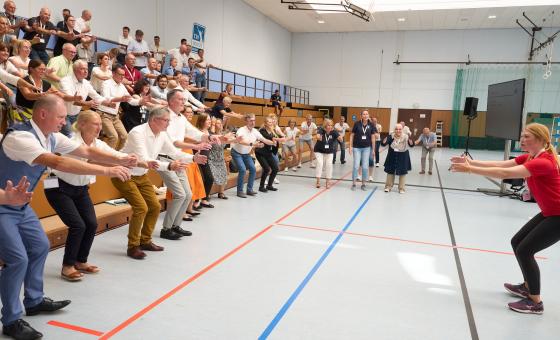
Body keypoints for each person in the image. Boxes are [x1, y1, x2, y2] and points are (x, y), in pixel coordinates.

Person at [0, 95, 134, 340]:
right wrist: (107, 170)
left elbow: (84, 150)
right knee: (17, 259)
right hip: (3, 203)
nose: (64, 121)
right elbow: (59, 163)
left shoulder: (51, 137)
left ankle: (34, 300)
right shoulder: (21, 137)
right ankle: (10, 319)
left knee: (40, 246)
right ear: (43, 114)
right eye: (61, 117)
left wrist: (120, 158)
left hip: (21, 205)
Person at [450, 123, 560, 315]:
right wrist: (470, 162)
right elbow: (501, 165)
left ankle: (535, 302)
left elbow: (504, 174)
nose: (522, 139)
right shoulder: (532, 156)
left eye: (527, 136)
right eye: (522, 136)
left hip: (558, 216)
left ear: (541, 139)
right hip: (550, 212)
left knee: (525, 250)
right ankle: (527, 285)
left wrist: (469, 170)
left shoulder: (543, 162)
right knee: (517, 242)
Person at [46, 110, 147, 281]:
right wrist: (111, 167)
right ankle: (68, 266)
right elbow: (88, 160)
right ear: (82, 124)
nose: (100, 127)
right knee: (78, 225)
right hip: (58, 187)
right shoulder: (71, 140)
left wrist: (138, 161)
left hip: (80, 189)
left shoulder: (98, 144)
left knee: (91, 224)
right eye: (96, 124)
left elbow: (115, 155)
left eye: (101, 124)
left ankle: (81, 261)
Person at [114, 106, 207, 258]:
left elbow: (174, 152)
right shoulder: (137, 132)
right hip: (124, 173)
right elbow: (144, 159)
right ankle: (133, 246)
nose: (168, 124)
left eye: (169, 120)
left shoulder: (162, 134)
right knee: (141, 208)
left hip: (141, 175)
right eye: (165, 120)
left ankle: (145, 241)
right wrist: (169, 165)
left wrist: (193, 158)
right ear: (153, 120)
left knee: (155, 206)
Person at [164, 90, 214, 236]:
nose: (184, 102)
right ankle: (166, 229)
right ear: (172, 101)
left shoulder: (180, 118)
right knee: (180, 194)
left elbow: (195, 133)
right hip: (165, 159)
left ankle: (176, 225)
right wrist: (196, 146)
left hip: (178, 158)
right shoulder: (166, 116)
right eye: (180, 99)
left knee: (188, 194)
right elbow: (174, 142)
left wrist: (211, 137)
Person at [58, 60, 114, 137]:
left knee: (79, 137)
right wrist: (87, 103)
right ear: (75, 70)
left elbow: (96, 96)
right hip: (63, 115)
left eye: (87, 69)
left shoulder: (86, 83)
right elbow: (70, 99)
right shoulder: (65, 81)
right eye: (82, 69)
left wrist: (107, 103)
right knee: (71, 137)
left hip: (76, 115)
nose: (86, 71)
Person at [98, 64, 142, 150]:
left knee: (125, 136)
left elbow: (130, 100)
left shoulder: (122, 86)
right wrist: (120, 99)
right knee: (114, 137)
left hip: (115, 116)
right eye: (120, 74)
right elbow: (106, 98)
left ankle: (118, 155)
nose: (122, 77)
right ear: (113, 73)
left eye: (124, 75)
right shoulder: (106, 83)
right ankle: (105, 159)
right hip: (104, 114)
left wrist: (141, 101)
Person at [232, 113, 276, 198]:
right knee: (242, 170)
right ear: (246, 121)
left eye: (254, 120)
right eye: (251, 120)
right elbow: (240, 141)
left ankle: (249, 190)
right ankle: (240, 191)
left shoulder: (255, 131)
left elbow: (263, 139)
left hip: (246, 154)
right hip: (237, 153)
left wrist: (272, 142)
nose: (253, 122)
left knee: (253, 169)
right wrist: (253, 144)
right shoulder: (241, 130)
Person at [381, 123, 414, 193]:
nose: (398, 130)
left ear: (402, 130)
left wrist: (411, 143)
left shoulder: (406, 136)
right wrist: (384, 142)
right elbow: (384, 143)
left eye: (400, 129)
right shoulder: (391, 136)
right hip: (392, 156)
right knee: (390, 171)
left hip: (403, 156)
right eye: (396, 129)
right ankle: (388, 186)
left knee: (402, 173)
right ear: (394, 130)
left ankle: (401, 188)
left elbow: (411, 144)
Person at [349, 110, 376, 191]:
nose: (365, 115)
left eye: (366, 114)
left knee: (365, 166)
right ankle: (354, 184)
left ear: (368, 115)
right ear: (361, 115)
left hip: (367, 148)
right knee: (356, 165)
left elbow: (373, 138)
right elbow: (352, 135)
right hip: (356, 148)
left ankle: (363, 184)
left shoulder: (371, 125)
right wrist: (350, 146)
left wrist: (373, 150)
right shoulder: (357, 124)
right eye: (363, 114)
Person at [255, 116, 284, 193]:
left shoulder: (273, 131)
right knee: (267, 169)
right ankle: (261, 187)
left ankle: (269, 185)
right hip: (260, 153)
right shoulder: (262, 131)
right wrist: (277, 139)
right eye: (269, 122)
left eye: (271, 122)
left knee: (275, 168)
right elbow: (268, 138)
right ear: (265, 123)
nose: (271, 123)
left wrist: (284, 137)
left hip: (268, 152)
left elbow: (280, 137)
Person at [208, 118, 234, 199]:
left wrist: (235, 139)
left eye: (220, 123)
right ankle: (207, 193)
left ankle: (221, 193)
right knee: (211, 176)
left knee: (223, 174)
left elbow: (230, 141)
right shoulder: (211, 135)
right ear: (214, 125)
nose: (220, 125)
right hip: (212, 158)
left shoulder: (224, 134)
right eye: (218, 123)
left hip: (220, 157)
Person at [314, 119, 343, 188]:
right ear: (325, 126)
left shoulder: (334, 132)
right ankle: (318, 181)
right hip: (319, 150)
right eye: (328, 125)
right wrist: (318, 137)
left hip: (329, 151)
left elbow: (340, 138)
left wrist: (340, 138)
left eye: (331, 125)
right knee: (320, 163)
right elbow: (318, 135)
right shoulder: (321, 130)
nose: (330, 127)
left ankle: (328, 181)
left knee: (329, 165)